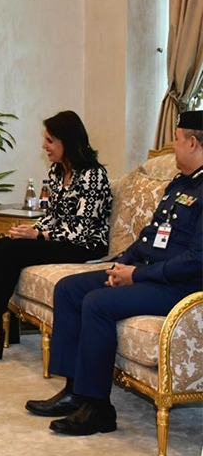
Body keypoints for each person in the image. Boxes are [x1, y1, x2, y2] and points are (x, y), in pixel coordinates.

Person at [24, 110, 203, 436]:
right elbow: (150, 235)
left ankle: (98, 409)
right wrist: (121, 264)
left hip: (180, 288)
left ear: (192, 143)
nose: (173, 146)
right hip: (147, 272)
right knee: (69, 289)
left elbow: (195, 260)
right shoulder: (181, 183)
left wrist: (136, 276)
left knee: (97, 303)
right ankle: (75, 392)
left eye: (176, 140)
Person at [0, 111, 112, 361]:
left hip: (85, 246)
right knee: (2, 246)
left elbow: (83, 230)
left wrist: (40, 235)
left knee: (11, 251)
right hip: (61, 240)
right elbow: (52, 216)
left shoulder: (92, 175)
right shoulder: (57, 172)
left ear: (67, 140)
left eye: (50, 140)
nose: (44, 145)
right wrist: (30, 231)